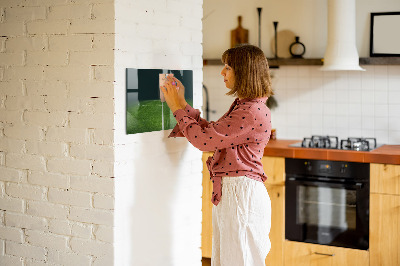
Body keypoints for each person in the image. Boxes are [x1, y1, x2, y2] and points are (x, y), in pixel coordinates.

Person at [161, 44, 273, 266]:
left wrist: (176, 107)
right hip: (236, 193)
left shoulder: (250, 111)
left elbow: (204, 141)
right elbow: (212, 133)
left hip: (241, 195)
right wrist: (182, 103)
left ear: (244, 72)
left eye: (228, 67)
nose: (222, 72)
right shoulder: (246, 106)